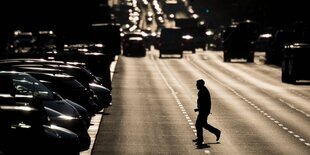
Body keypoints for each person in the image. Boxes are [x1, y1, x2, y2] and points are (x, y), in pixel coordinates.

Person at [193, 79, 221, 147]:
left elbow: (204, 103)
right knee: (203, 124)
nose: (196, 86)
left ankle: (200, 139)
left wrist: (200, 109)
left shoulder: (203, 91)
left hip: (204, 111)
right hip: (203, 110)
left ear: (201, 84)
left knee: (198, 124)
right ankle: (216, 132)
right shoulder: (202, 90)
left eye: (197, 84)